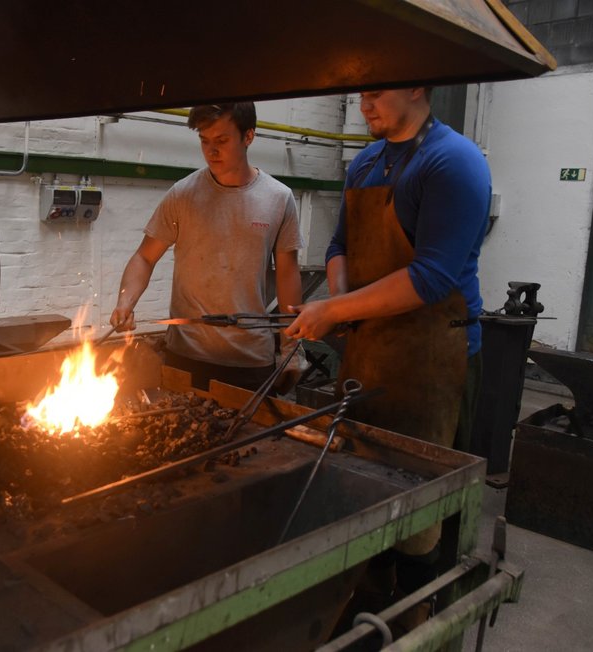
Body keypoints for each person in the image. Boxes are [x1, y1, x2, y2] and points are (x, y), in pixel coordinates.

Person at [284, 87, 491, 634]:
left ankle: (421, 617)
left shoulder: (453, 162)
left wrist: (335, 309)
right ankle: (366, 603)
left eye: (377, 93)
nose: (364, 105)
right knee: (363, 485)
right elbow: (338, 247)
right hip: (371, 348)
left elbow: (432, 276)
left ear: (418, 87)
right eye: (360, 95)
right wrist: (342, 306)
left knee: (423, 507)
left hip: (434, 359)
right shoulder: (367, 163)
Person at [110, 102, 304, 391]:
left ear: (248, 136)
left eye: (222, 141)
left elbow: (288, 272)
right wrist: (125, 302)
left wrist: (292, 346)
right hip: (186, 357)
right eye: (204, 140)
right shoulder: (183, 195)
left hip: (249, 360)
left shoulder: (278, 198)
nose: (211, 151)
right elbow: (144, 257)